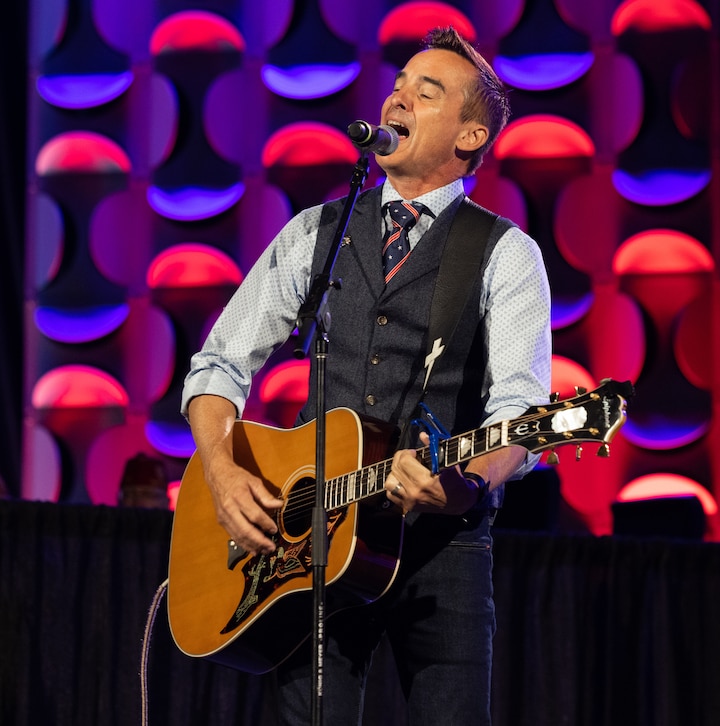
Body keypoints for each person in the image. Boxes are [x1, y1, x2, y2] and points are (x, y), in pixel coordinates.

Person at [182, 26, 551, 725]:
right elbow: (220, 363)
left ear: (471, 136)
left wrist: (461, 484)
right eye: (401, 83)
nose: (398, 96)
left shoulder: (507, 254)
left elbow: (522, 414)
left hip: (443, 552)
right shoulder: (316, 230)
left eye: (427, 90)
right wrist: (223, 473)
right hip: (310, 545)